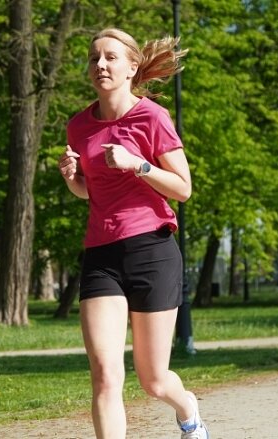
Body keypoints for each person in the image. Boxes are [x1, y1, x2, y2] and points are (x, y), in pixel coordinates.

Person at [58, 28, 209, 439]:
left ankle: (188, 407)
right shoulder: (79, 126)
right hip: (101, 255)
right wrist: (73, 178)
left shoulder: (152, 117)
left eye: (110, 57)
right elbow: (92, 193)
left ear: (131, 67)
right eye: (93, 58)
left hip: (152, 251)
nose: (100, 65)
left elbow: (183, 189)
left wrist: (136, 164)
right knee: (105, 375)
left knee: (153, 381)